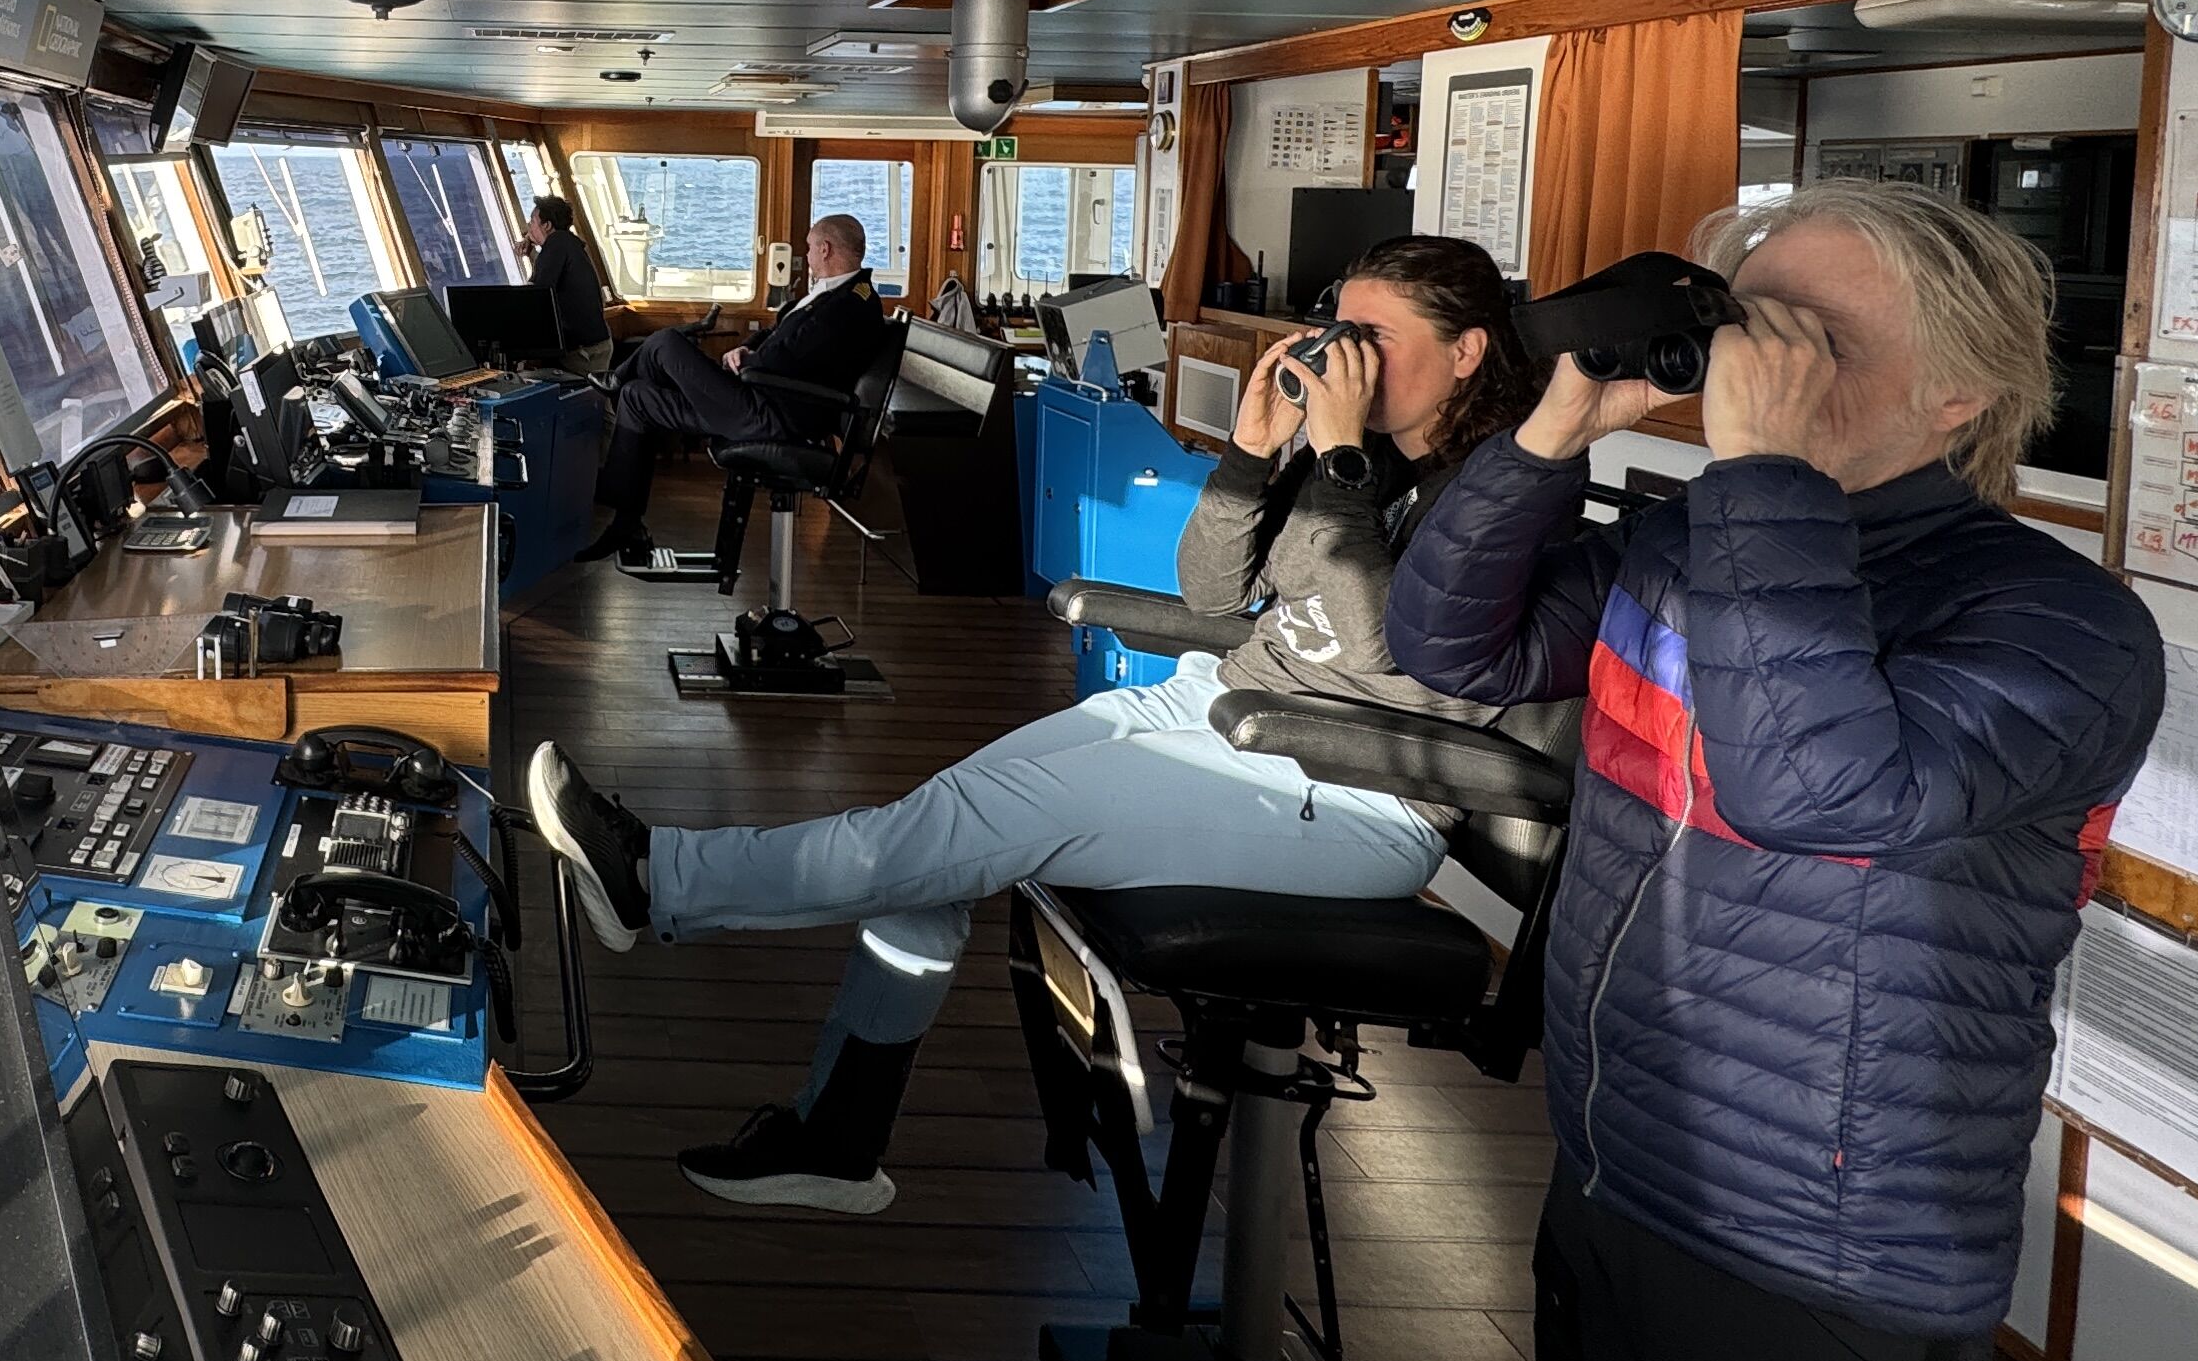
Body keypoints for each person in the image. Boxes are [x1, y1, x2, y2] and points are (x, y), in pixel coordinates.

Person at [1383, 182, 2162, 1361]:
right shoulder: (1692, 545)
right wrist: (1549, 434)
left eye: (1814, 335)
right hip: (1616, 1177)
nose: (1763, 359)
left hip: (1818, 1250)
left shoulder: (2058, 625)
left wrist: (1757, 474)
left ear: (1963, 394)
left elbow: (1818, 790)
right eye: (1751, 322)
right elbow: (1454, 644)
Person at [532, 233, 1539, 1212]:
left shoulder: (1485, 495)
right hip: (1230, 710)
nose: (1346, 362)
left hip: (1347, 785)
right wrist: (1249, 455)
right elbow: (1210, 588)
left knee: (957, 832)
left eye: (1375, 338)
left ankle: (663, 878)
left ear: (1466, 352)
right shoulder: (1359, 459)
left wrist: (1342, 456)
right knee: (945, 823)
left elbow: (1377, 651)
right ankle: (838, 1139)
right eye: (1340, 334)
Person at [582, 210, 894, 562]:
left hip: (772, 413)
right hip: (759, 398)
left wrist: (750, 363)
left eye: (808, 248)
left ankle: (617, 379)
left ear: (825, 249)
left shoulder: (850, 304)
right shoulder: (837, 293)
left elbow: (790, 354)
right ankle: (626, 523)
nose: (806, 256)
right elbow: (778, 332)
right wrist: (746, 349)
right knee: (637, 398)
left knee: (666, 342)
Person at [520, 193, 616, 380]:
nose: (528, 228)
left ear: (547, 225)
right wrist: (532, 254)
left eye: (532, 222)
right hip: (597, 343)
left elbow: (536, 295)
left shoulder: (555, 244)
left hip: (581, 351)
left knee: (526, 380)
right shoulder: (569, 244)